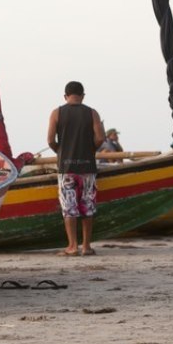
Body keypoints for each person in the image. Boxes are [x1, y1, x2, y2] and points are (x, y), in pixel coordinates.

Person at [47, 81, 105, 257]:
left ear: (65, 96)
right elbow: (100, 138)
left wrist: (61, 152)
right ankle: (86, 246)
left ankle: (72, 246)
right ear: (83, 95)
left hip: (67, 168)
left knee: (69, 208)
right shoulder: (91, 113)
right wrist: (90, 149)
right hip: (87, 167)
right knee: (87, 206)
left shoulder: (57, 113)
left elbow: (50, 140)